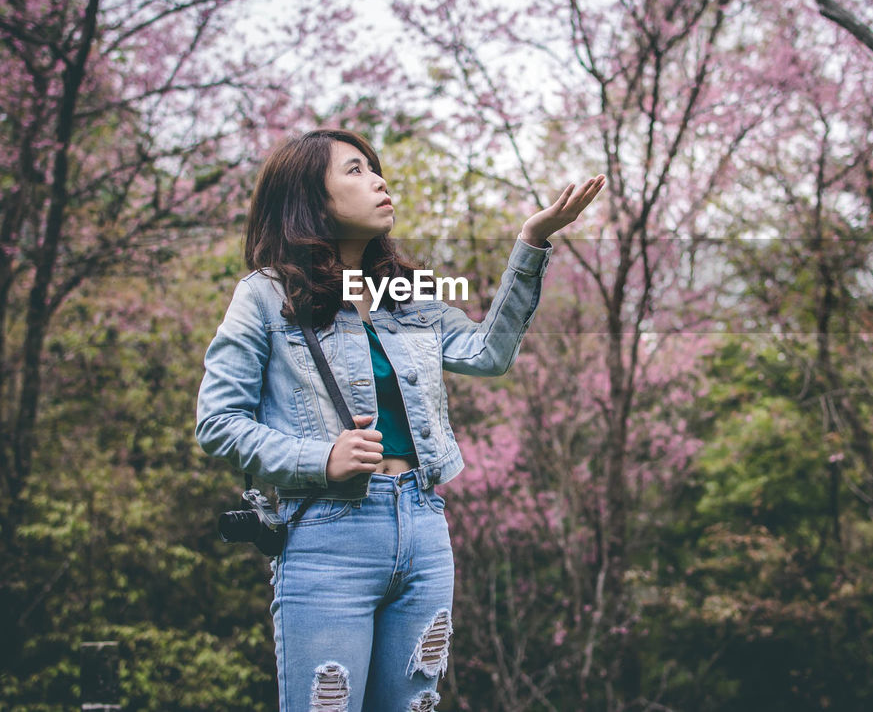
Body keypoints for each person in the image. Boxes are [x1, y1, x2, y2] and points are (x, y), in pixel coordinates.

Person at [196, 129, 603, 712]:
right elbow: (218, 421)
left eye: (375, 168)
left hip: (423, 526)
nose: (379, 181)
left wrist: (531, 242)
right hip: (326, 536)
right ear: (309, 198)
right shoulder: (265, 296)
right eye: (355, 171)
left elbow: (488, 353)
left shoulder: (406, 297)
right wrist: (320, 458)